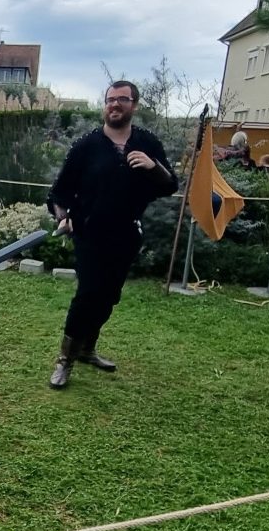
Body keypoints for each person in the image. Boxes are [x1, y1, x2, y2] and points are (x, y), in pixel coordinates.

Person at [47, 81, 178, 390]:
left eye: (122, 99)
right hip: (90, 232)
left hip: (127, 233)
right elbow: (60, 192)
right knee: (88, 293)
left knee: (109, 296)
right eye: (110, 100)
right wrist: (63, 217)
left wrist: (153, 165)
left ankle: (88, 349)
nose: (115, 104)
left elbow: (170, 185)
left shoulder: (147, 143)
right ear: (104, 105)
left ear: (134, 105)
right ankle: (65, 360)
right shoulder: (86, 145)